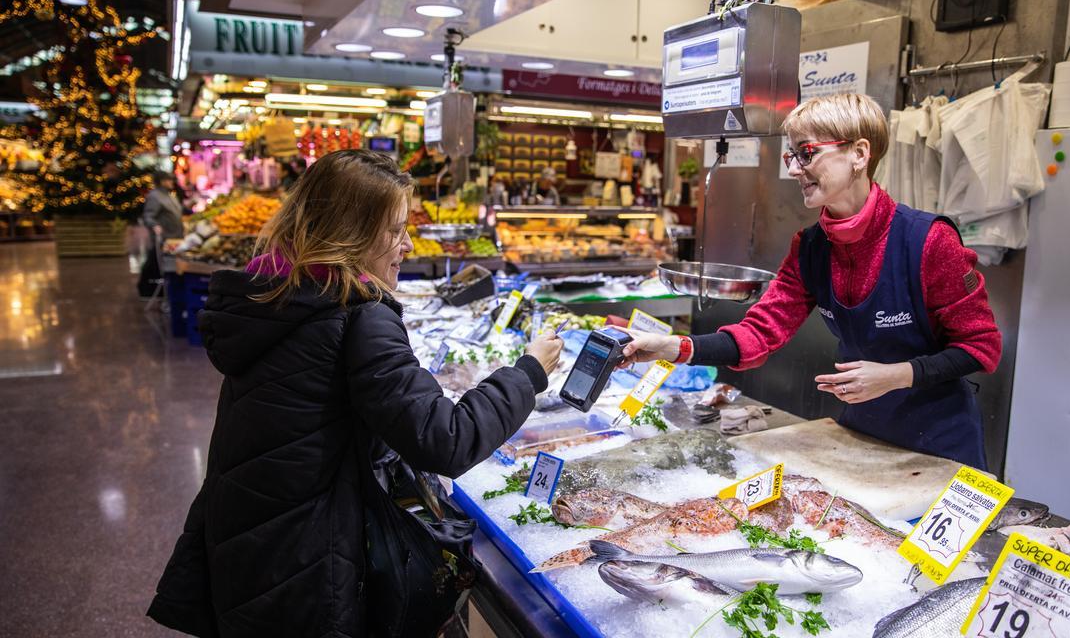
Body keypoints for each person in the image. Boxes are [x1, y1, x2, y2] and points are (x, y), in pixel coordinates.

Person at [147, 149, 564, 636]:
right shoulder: (355, 315)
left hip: (253, 546)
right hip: (311, 567)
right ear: (351, 232)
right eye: (394, 230)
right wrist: (529, 372)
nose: (407, 244)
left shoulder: (280, 293)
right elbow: (446, 439)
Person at [622, 94, 1001, 470]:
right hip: (862, 431)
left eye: (807, 153)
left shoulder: (928, 240)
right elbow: (759, 333)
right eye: (792, 156)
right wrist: (673, 347)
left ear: (859, 153)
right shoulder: (811, 248)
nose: (793, 170)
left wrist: (898, 375)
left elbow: (982, 347)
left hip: (941, 443)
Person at [138, 171, 185, 298]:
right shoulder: (155, 196)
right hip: (163, 239)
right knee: (154, 264)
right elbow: (148, 216)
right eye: (169, 180)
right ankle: (147, 291)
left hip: (174, 237)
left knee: (159, 264)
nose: (172, 182)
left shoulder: (169, 195)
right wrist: (155, 226)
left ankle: (159, 291)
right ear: (162, 181)